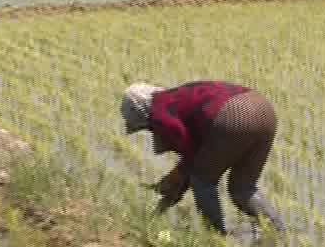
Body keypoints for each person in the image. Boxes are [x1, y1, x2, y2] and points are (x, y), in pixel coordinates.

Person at [120, 80, 285, 237]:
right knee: (243, 189)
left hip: (232, 113)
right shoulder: (173, 97)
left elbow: (191, 159)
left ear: (140, 115)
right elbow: (193, 155)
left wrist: (172, 188)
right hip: (262, 107)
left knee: (202, 181)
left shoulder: (159, 114)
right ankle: (279, 231)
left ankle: (215, 238)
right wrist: (175, 182)